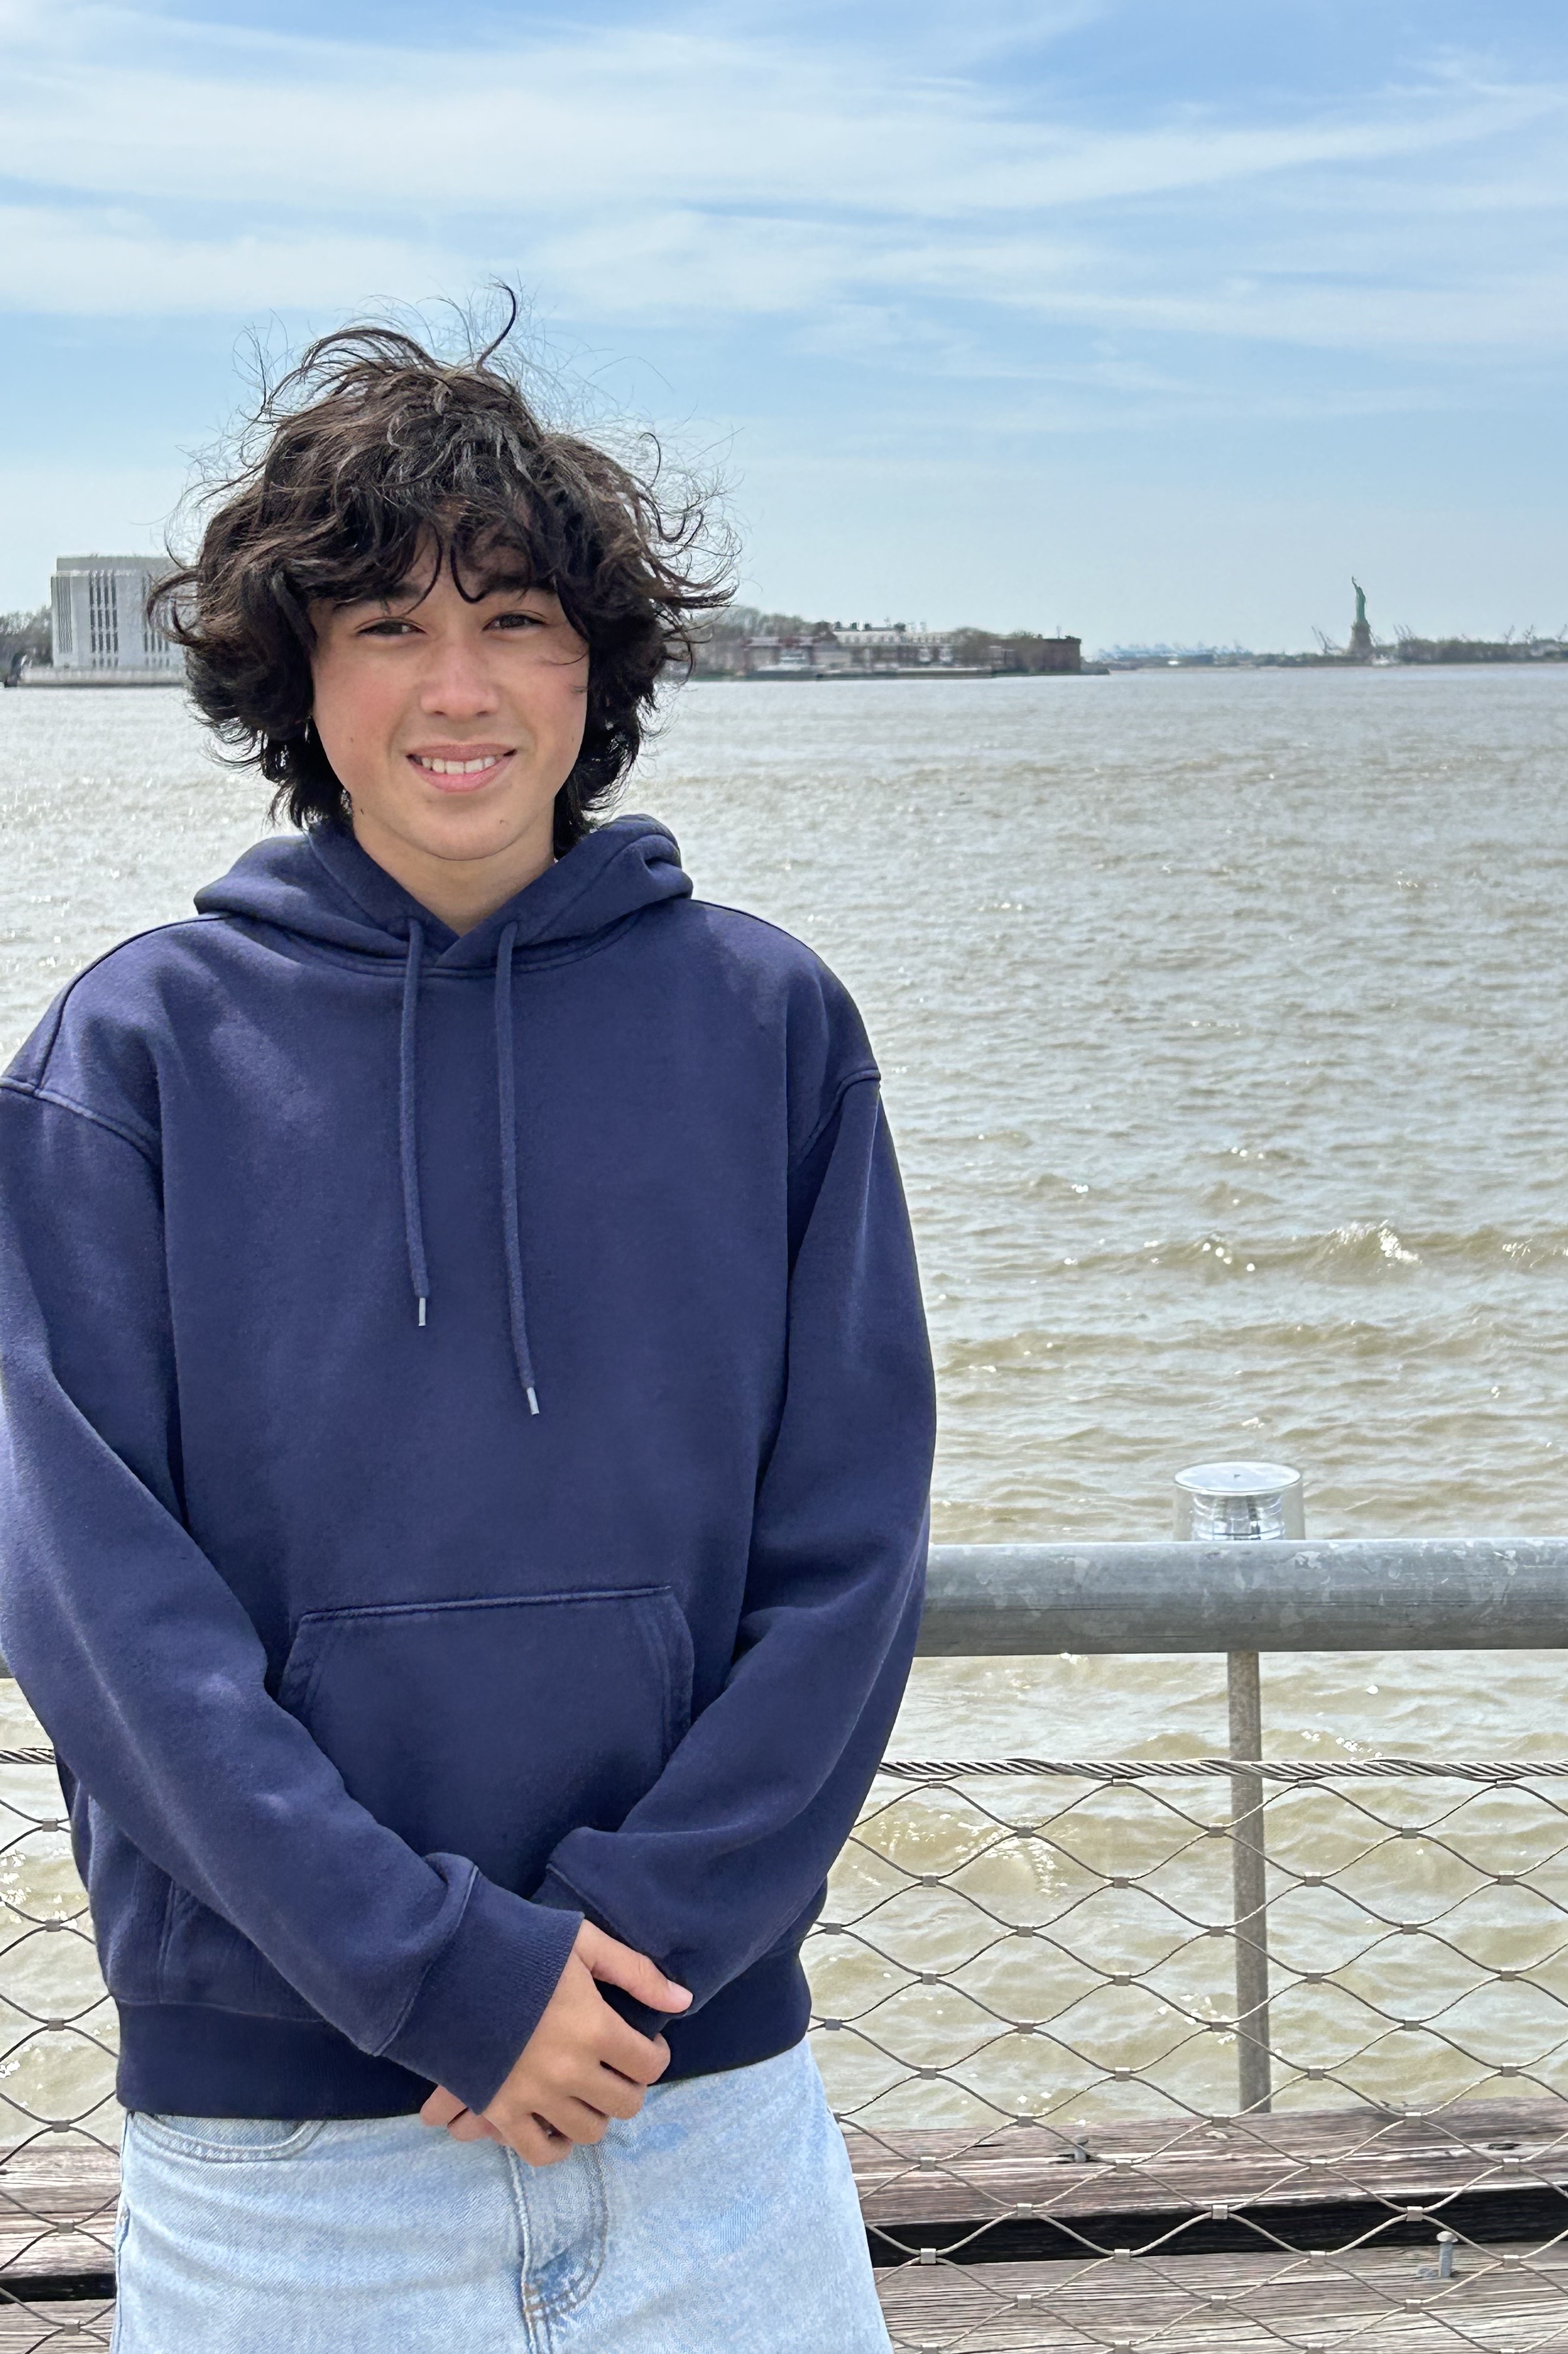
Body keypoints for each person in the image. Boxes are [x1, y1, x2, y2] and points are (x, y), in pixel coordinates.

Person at [0, 323, 935, 2351]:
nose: (457, 689)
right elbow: (99, 1617)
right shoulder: (125, 1061)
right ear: (295, 673)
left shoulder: (772, 1034)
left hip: (704, 2122)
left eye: (515, 621)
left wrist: (629, 1951)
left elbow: (850, 1559)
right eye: (388, 626)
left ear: (595, 672)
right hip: (286, 2177)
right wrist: (440, 1976)